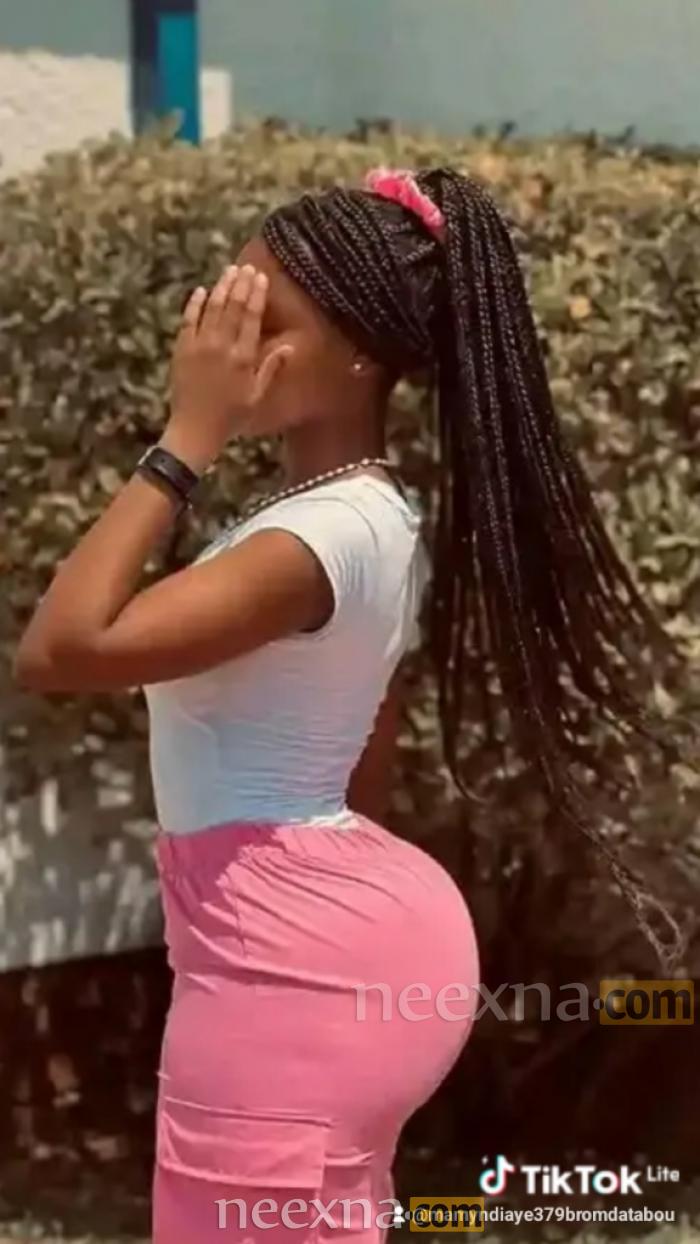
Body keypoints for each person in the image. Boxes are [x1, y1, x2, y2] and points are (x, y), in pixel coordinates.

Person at [14, 166, 683, 1242]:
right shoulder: (366, 515)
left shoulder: (316, 538)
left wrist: (184, 439)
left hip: (290, 957)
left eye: (267, 322)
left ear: (361, 354)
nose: (233, 350)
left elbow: (61, 649)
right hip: (320, 939)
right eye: (228, 312)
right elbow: (362, 753)